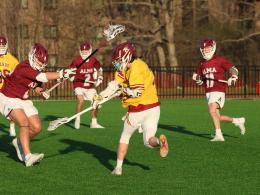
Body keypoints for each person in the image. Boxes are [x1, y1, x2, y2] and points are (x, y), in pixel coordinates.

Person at [93, 41, 169, 175]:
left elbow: (137, 92)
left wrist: (123, 90)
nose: (116, 62)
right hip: (153, 108)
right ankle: (159, 141)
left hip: (138, 108)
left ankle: (118, 168)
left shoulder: (136, 68)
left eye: (118, 59)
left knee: (125, 136)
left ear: (126, 56)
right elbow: (114, 85)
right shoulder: (131, 66)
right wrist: (101, 96)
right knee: (148, 141)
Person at [0, 43, 76, 166]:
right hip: (8, 97)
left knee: (36, 127)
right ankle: (28, 156)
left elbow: (35, 85)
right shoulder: (23, 67)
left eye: (42, 63)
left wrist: (41, 92)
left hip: (22, 98)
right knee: (23, 122)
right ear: (32, 56)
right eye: (38, 61)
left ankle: (19, 142)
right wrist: (61, 74)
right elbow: (42, 77)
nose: (40, 64)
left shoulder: (35, 69)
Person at [192, 38, 246, 142]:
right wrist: (197, 79)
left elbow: (233, 69)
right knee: (217, 116)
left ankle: (218, 135)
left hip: (218, 90)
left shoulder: (219, 59)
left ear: (213, 48)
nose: (206, 50)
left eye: (208, 48)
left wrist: (233, 77)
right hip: (208, 92)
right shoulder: (202, 63)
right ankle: (237, 121)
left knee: (212, 109)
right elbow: (198, 77)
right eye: (204, 49)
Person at [69, 41, 104, 129]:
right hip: (79, 85)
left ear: (90, 51)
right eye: (83, 51)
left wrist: (99, 78)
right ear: (80, 51)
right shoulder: (76, 60)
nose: (84, 53)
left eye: (86, 51)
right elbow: (70, 72)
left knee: (95, 102)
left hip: (89, 86)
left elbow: (100, 69)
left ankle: (94, 123)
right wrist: (71, 77)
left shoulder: (93, 60)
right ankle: (77, 119)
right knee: (81, 100)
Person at [0, 36, 19, 137]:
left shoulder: (12, 60)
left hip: (6, 90)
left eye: (3, 44)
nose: (2, 46)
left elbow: (18, 74)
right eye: (0, 44)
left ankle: (12, 126)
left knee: (11, 110)